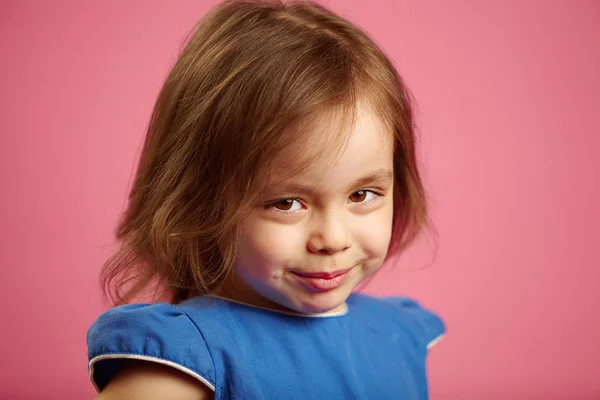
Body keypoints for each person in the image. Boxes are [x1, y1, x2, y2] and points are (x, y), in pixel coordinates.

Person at [87, 0, 445, 398]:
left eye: (362, 194)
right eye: (287, 203)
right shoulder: (186, 366)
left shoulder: (396, 336)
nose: (332, 238)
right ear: (202, 197)